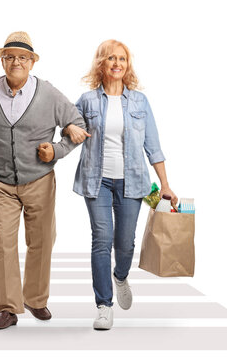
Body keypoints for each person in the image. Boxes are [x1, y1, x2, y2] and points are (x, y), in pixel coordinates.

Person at [0, 31, 85, 330]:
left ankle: (36, 298)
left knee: (41, 241)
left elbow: (78, 126)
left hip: (39, 180)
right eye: (9, 56)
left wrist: (56, 151)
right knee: (4, 243)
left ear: (32, 62)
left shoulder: (49, 94)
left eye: (22, 57)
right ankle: (7, 308)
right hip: (1, 181)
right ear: (2, 61)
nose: (15, 61)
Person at [63, 40, 178, 330]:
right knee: (101, 240)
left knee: (124, 244)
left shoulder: (139, 101)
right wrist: (68, 128)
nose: (117, 63)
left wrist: (164, 184)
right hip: (96, 180)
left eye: (122, 59)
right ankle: (104, 305)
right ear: (101, 63)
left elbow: (153, 145)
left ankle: (121, 276)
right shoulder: (87, 100)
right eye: (111, 58)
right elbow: (67, 124)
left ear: (127, 65)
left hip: (133, 182)